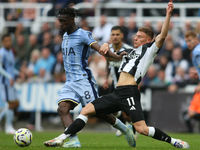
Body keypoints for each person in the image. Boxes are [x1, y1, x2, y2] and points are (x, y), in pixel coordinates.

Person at [44, 1, 190, 149]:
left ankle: (174, 141)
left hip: (130, 93)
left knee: (142, 129)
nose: (135, 38)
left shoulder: (150, 51)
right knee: (86, 110)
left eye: (139, 36)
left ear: (148, 40)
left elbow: (163, 36)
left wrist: (168, 15)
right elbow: (109, 55)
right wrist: (106, 46)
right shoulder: (128, 53)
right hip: (117, 93)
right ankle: (62, 139)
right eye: (136, 35)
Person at [44, 6, 136, 148]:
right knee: (62, 109)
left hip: (83, 80)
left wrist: (117, 57)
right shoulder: (65, 36)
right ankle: (74, 140)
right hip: (70, 81)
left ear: (72, 19)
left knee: (97, 112)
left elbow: (101, 50)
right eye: (59, 21)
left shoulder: (83, 34)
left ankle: (125, 129)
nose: (60, 24)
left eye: (63, 21)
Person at [103, 26, 134, 137]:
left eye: (117, 34)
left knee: (126, 113)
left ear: (122, 36)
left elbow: (134, 68)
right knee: (114, 112)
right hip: (114, 84)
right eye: (113, 34)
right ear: (110, 36)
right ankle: (125, 126)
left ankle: (129, 128)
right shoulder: (108, 49)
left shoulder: (128, 49)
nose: (115, 37)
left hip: (125, 85)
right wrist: (106, 78)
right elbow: (108, 63)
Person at [0, 34, 20, 134]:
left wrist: (18, 73)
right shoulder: (2, 53)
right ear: (3, 42)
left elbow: (11, 68)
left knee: (14, 104)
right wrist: (9, 77)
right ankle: (8, 126)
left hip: (11, 83)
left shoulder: (11, 52)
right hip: (5, 83)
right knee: (9, 105)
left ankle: (9, 125)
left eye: (9, 41)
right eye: (6, 41)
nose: (8, 43)